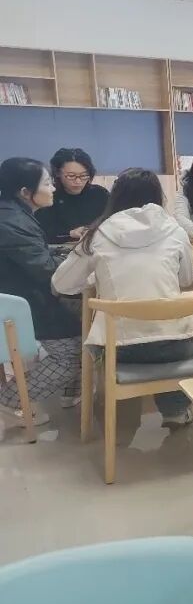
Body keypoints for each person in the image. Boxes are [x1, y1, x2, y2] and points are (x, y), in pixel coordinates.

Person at [52, 168, 193, 428]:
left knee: (123, 336)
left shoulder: (97, 234)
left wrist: (98, 277)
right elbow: (186, 279)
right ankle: (176, 411)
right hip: (178, 344)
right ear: (158, 196)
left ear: (116, 196)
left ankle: (120, 413)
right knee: (171, 339)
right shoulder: (175, 230)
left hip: (120, 348)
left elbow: (62, 283)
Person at [0, 157, 81, 426]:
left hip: (23, 293)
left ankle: (72, 391)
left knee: (83, 319)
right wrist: (79, 262)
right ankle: (10, 400)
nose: (53, 188)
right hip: (21, 302)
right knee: (73, 350)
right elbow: (46, 270)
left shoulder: (13, 213)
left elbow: (39, 255)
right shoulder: (12, 221)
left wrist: (68, 255)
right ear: (25, 192)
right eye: (47, 183)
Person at [35, 147, 109, 243]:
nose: (78, 181)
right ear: (57, 173)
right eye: (71, 176)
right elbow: (40, 233)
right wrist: (70, 233)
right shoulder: (48, 196)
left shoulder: (100, 194)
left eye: (83, 175)